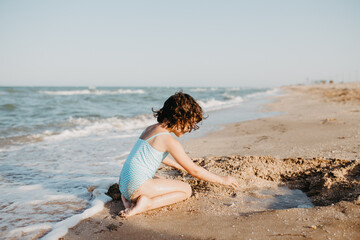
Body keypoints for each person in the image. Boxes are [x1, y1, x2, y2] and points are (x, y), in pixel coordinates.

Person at [119, 91, 239, 217]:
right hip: (137, 186)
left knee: (160, 179)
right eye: (189, 124)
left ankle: (129, 199)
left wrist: (177, 166)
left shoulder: (150, 129)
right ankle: (147, 203)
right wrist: (222, 180)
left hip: (124, 183)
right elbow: (194, 170)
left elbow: (153, 154)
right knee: (186, 189)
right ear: (179, 118)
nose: (189, 129)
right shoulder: (168, 140)